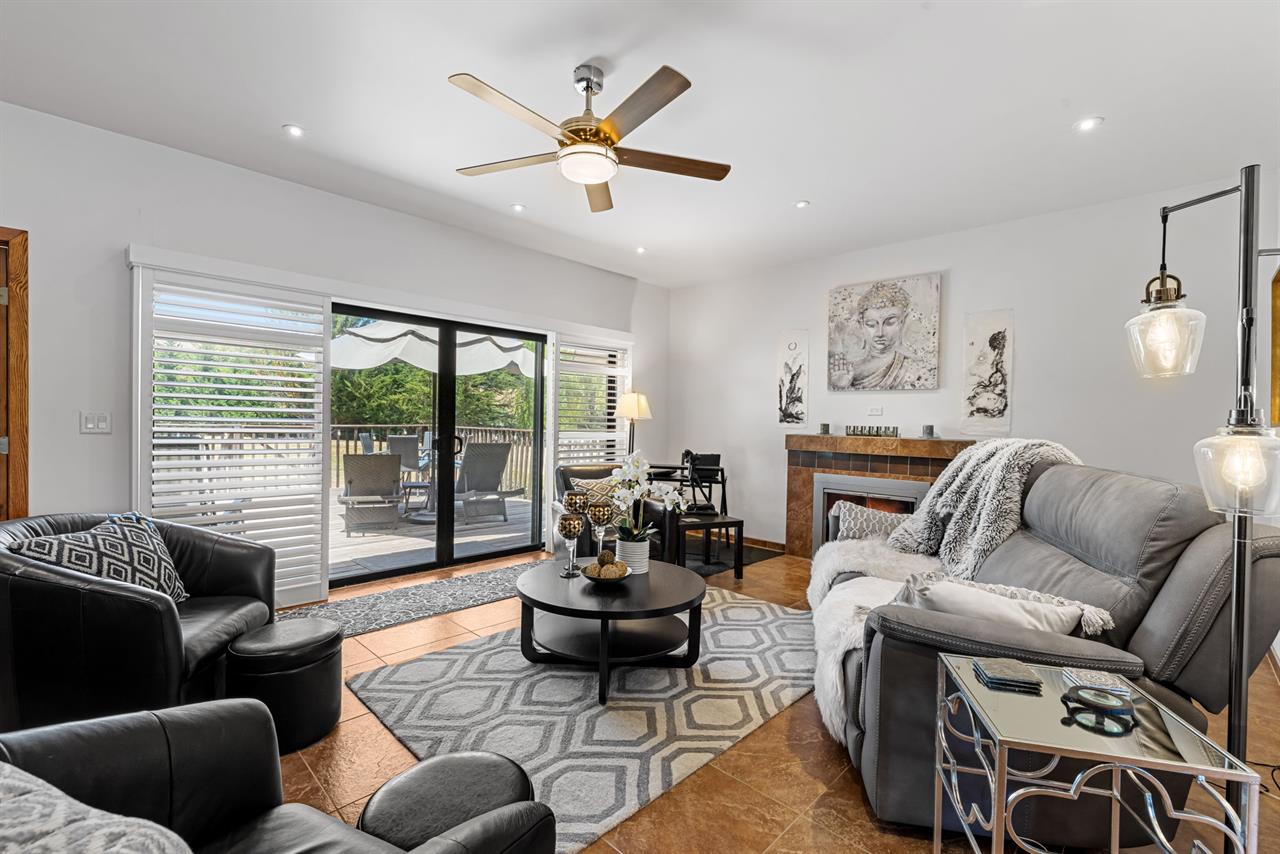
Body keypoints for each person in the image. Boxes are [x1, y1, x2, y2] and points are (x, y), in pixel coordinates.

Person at [844, 281, 911, 389]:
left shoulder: (911, 368)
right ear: (861, 325)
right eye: (871, 325)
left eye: (890, 322)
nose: (880, 333)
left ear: (902, 321)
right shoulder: (848, 370)